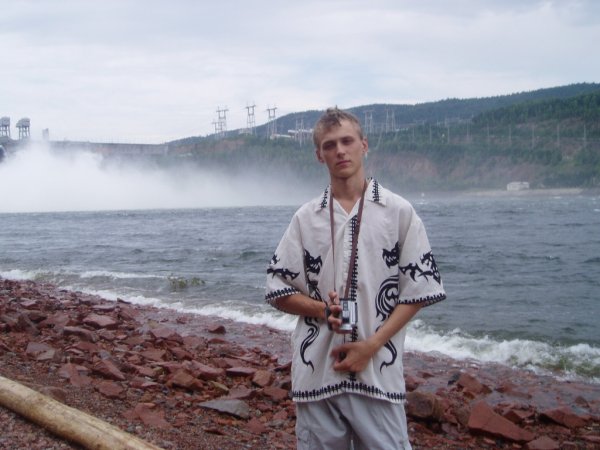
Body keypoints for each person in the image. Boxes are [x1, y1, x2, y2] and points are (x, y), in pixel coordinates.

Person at [265, 107, 446, 450]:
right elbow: (277, 288)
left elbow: (420, 290)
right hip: (317, 373)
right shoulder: (306, 217)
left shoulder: (398, 211)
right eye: (330, 145)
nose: (340, 151)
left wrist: (371, 346)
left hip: (377, 374)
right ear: (319, 155)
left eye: (347, 141)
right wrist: (321, 310)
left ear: (364, 145)